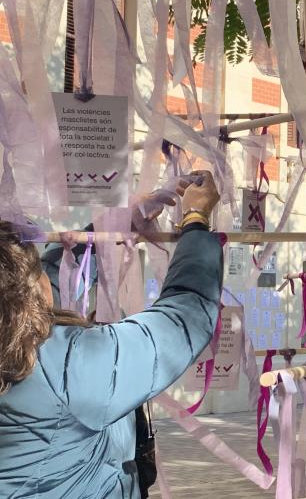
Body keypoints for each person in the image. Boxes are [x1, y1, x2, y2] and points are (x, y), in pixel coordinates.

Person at [0, 171, 221, 498]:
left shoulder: (13, 337)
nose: (46, 275)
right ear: (26, 292)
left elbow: (55, 279)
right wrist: (196, 221)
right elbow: (184, 317)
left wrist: (115, 226)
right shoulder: (63, 366)